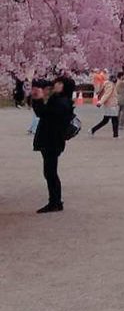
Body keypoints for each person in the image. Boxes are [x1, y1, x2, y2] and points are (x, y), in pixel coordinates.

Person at [32, 76, 75, 213]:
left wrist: (38, 99)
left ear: (64, 87)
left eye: (59, 83)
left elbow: (43, 113)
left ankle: (55, 202)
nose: (55, 85)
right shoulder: (60, 100)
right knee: (50, 172)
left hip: (52, 141)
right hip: (52, 140)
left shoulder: (61, 102)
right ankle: (55, 201)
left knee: (50, 172)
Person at [90, 73, 120, 137]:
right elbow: (107, 94)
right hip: (111, 105)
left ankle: (93, 130)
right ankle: (115, 135)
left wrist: (101, 102)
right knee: (114, 119)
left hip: (109, 104)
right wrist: (100, 102)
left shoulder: (107, 84)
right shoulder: (110, 85)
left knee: (106, 120)